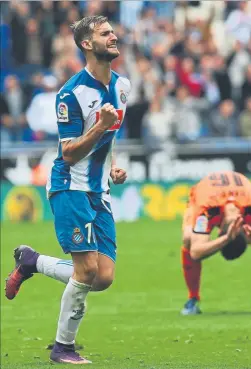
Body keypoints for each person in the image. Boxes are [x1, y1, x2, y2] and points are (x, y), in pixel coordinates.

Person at [5, 15, 131, 365]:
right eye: (105, 33)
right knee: (86, 271)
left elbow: (112, 133)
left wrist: (113, 165)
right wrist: (101, 126)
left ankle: (32, 261)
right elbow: (69, 151)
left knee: (103, 277)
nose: (114, 36)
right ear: (88, 44)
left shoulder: (123, 86)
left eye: (112, 31)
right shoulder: (71, 93)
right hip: (69, 184)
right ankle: (63, 348)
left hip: (98, 188)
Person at [181, 171, 251, 315]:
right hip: (205, 192)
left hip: (238, 191)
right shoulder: (206, 210)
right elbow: (196, 252)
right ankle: (192, 298)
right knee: (188, 239)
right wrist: (226, 239)